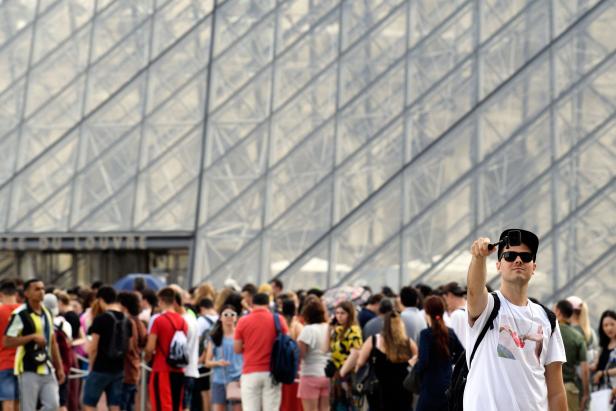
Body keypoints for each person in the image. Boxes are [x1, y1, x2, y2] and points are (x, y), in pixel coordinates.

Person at [465, 229, 567, 410]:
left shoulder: (547, 318)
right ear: (498, 265)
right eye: (510, 256)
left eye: (526, 257)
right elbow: (474, 291)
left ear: (533, 267)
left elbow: (556, 390)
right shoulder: (488, 306)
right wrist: (478, 258)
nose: (518, 260)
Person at [3, 278, 65, 411]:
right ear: (26, 293)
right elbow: (7, 341)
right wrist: (32, 337)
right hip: (27, 368)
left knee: (53, 405)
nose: (41, 292)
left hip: (47, 367)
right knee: (28, 407)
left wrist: (59, 366)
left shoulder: (47, 312)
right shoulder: (20, 314)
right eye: (37, 289)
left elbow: (53, 341)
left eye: (42, 288)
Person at [234, 292, 288, 411]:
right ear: (268, 304)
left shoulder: (243, 321)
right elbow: (286, 344)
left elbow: (237, 349)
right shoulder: (279, 320)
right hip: (273, 372)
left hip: (250, 372)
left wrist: (249, 347)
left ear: (252, 304)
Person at [82, 286, 132, 411]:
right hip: (118, 368)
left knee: (89, 403)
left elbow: (93, 348)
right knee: (114, 405)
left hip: (100, 367)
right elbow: (129, 347)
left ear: (100, 300)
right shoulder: (127, 320)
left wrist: (91, 365)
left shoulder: (101, 319)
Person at [355, 310, 417, 411]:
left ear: (384, 324)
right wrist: (409, 363)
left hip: (379, 393)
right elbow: (417, 358)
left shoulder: (373, 341)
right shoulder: (408, 343)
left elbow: (360, 362)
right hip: (403, 393)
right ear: (401, 325)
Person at [412, 295, 463, 411]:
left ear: (427, 312)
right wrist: (450, 361)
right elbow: (462, 354)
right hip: (447, 383)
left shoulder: (426, 334)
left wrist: (415, 368)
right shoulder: (449, 332)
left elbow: (424, 361)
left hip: (430, 385)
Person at [145, 287, 189, 411]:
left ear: (161, 301)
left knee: (161, 405)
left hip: (161, 368)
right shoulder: (183, 321)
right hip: (179, 369)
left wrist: (146, 357)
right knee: (176, 405)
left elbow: (150, 347)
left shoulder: (158, 321)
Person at [205, 305, 243, 411]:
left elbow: (246, 358)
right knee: (218, 408)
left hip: (237, 379)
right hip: (219, 379)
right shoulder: (215, 337)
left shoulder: (241, 336)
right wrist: (218, 363)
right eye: (226, 314)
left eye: (232, 314)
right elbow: (207, 362)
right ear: (220, 317)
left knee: (238, 408)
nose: (229, 317)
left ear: (236, 317)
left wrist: (243, 376)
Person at [554, 300, 589, 411]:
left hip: (550, 387)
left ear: (558, 311)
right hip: (570, 388)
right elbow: (585, 369)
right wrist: (586, 394)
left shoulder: (549, 332)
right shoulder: (578, 336)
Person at [297, 298, 330, 411]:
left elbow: (301, 354)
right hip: (327, 374)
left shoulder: (308, 330)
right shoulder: (329, 328)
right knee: (325, 409)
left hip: (310, 374)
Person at [43, 293, 74, 411]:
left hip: (44, 366)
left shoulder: (41, 323)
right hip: (63, 366)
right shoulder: (65, 324)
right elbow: (69, 343)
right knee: (62, 402)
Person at [330, 301, 362, 411]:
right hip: (337, 373)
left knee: (346, 405)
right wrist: (329, 327)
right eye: (337, 313)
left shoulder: (353, 330)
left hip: (348, 375)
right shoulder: (338, 330)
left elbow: (356, 352)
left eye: (342, 313)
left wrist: (342, 372)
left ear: (350, 314)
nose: (339, 316)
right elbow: (326, 348)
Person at [118, 292, 147, 411]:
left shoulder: (128, 322)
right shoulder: (139, 322)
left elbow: (128, 347)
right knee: (130, 405)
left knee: (123, 405)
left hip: (126, 370)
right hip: (134, 369)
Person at [0, 280, 21, 411]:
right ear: (16, 294)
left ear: (1, 294)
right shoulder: (25, 311)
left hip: (4, 361)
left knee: (7, 399)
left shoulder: (0, 311)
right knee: (19, 400)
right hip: (23, 362)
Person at [280, 298, 304, 411]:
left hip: (281, 365)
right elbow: (302, 348)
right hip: (295, 366)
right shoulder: (297, 326)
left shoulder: (279, 324)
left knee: (283, 399)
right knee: (295, 400)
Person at [195, 297, 219, 411]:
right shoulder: (220, 318)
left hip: (203, 360)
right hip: (217, 359)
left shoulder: (201, 320)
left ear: (201, 308)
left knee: (205, 392)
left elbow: (197, 340)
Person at [590, 311, 616, 390]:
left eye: (612, 324)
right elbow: (595, 365)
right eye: (605, 325)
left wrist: (603, 373)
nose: (609, 328)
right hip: (601, 390)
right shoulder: (602, 347)